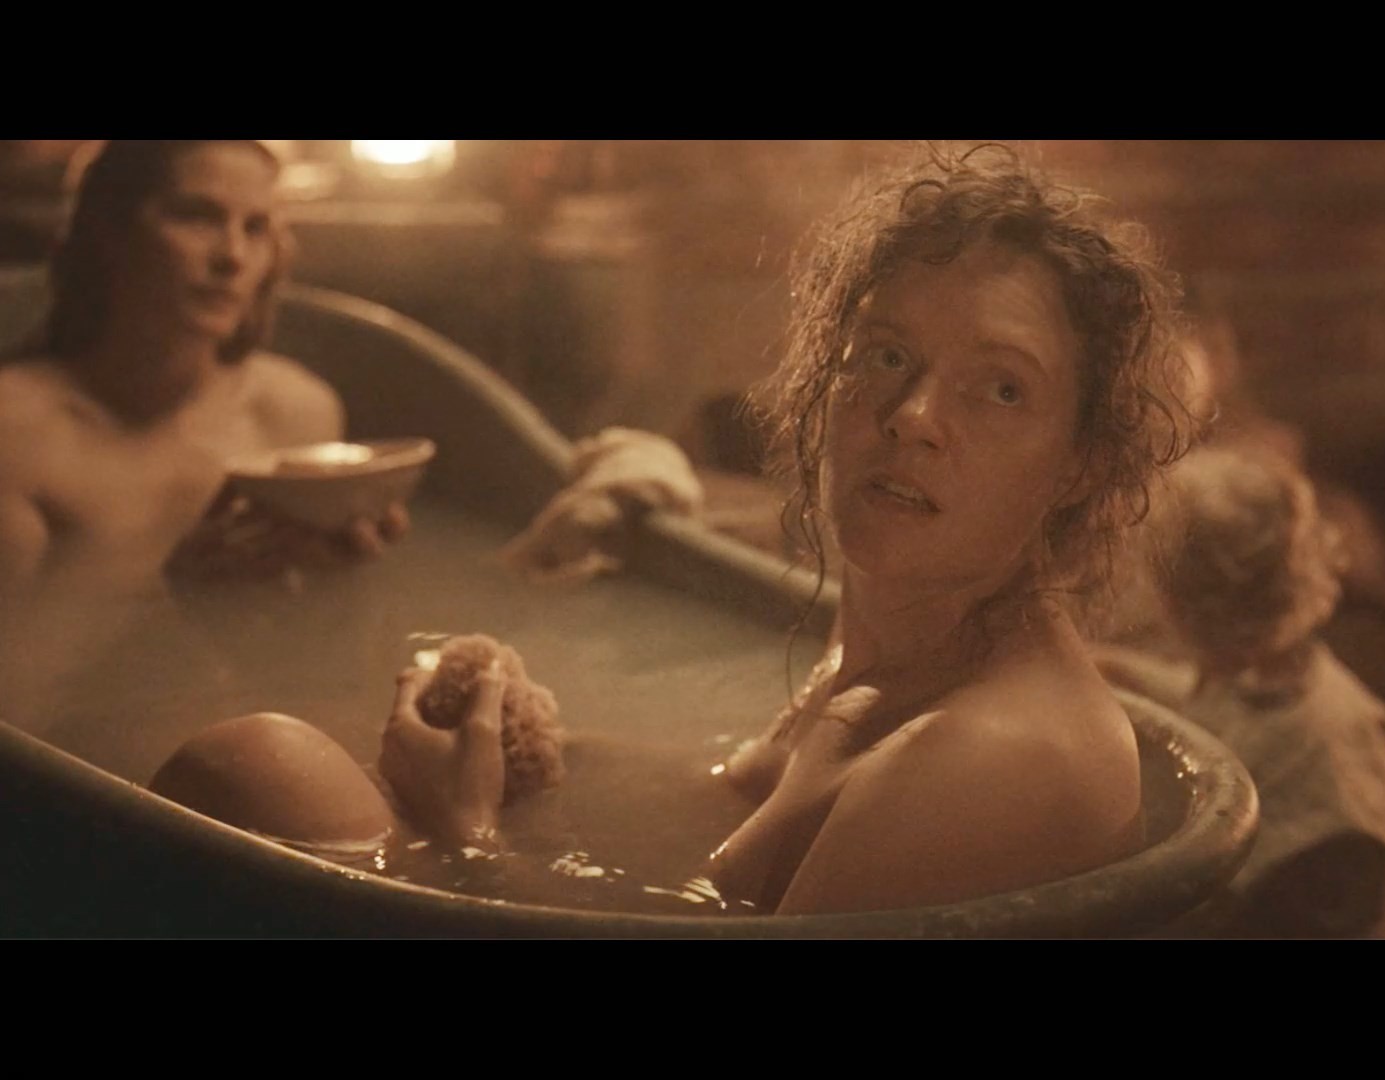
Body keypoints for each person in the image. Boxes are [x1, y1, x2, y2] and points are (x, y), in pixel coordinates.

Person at [381, 143, 1198, 914]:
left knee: (304, 781)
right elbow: (714, 807)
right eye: (886, 355)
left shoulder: (1002, 757)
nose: (913, 415)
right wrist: (523, 747)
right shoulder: (891, 645)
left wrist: (466, 837)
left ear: (1081, 464)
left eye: (1002, 389)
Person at [1097, 443, 1385, 938]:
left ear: (1183, 600)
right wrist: (1120, 671)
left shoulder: (1318, 786)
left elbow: (1307, 905)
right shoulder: (1274, 670)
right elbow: (1218, 696)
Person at [0, 140, 406, 603]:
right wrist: (173, 594)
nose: (233, 255)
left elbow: (320, 636)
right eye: (196, 216)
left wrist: (343, 576)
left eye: (255, 227)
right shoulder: (17, 435)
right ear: (109, 232)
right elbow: (18, 647)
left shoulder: (294, 414)